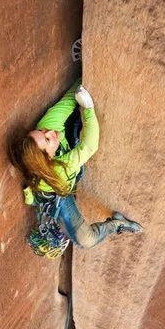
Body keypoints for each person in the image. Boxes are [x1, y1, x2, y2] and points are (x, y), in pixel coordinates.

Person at [11, 79, 142, 250]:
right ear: (48, 159)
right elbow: (89, 146)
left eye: (42, 132)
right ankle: (117, 224)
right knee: (86, 240)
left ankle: (35, 195)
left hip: (55, 181)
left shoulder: (47, 126)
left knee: (73, 157)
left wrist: (84, 81)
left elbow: (68, 101)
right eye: (48, 139)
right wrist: (88, 109)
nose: (50, 131)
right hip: (60, 195)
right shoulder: (59, 168)